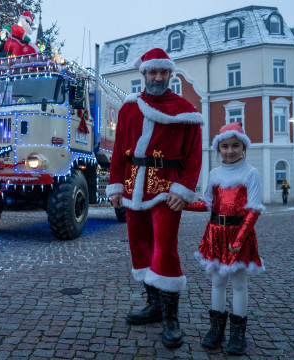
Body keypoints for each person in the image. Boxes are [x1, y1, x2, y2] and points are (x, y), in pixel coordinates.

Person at [106, 48, 203, 349]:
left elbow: (193, 155)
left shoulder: (185, 109)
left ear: (170, 74)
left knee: (165, 249)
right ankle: (154, 307)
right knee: (142, 247)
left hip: (166, 190)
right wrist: (115, 186)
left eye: (163, 72)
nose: (158, 77)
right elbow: (120, 148)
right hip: (134, 188)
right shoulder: (128, 108)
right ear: (144, 74)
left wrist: (183, 188)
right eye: (153, 72)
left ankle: (171, 317)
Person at [184, 122, 265, 355]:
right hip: (215, 234)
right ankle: (216, 328)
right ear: (218, 148)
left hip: (239, 235)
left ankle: (238, 333)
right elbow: (207, 203)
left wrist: (238, 241)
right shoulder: (214, 173)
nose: (230, 151)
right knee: (217, 282)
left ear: (243, 147)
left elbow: (253, 210)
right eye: (225, 146)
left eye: (235, 146)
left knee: (239, 283)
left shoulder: (251, 173)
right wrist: (182, 204)